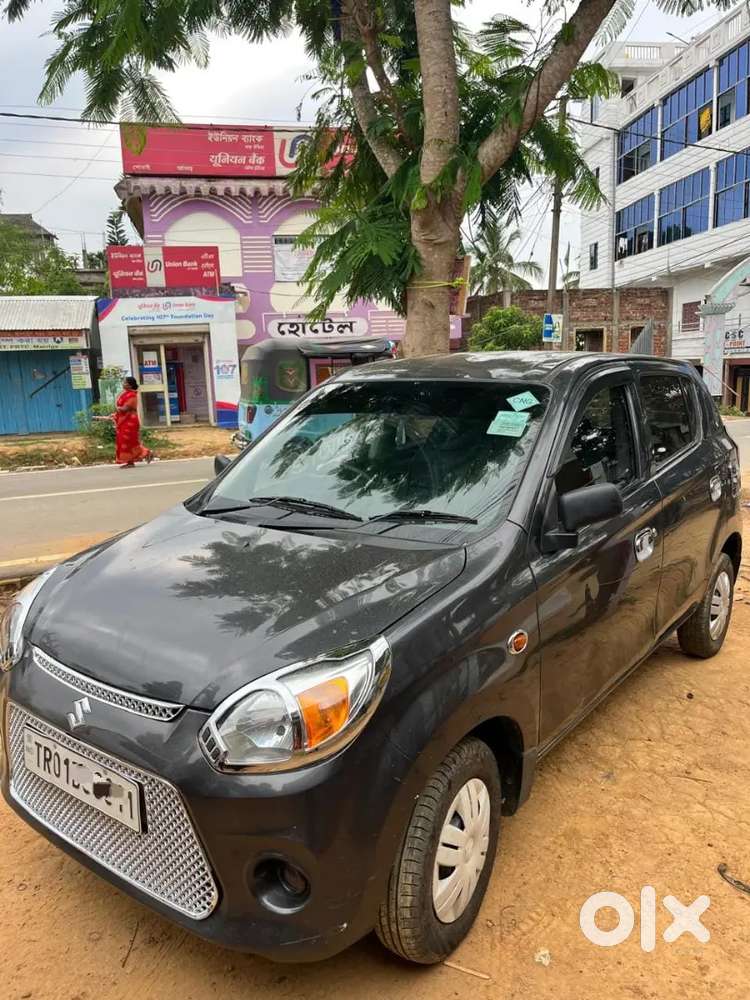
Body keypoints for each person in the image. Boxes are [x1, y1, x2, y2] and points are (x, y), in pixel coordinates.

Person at [102, 376, 154, 468]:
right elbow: (121, 409)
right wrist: (115, 414)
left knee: (129, 442)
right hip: (123, 421)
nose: (123, 384)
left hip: (130, 422)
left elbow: (126, 408)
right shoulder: (124, 394)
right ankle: (145, 453)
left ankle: (132, 461)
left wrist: (118, 409)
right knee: (123, 441)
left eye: (125, 382)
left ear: (130, 385)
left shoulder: (132, 395)